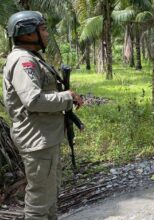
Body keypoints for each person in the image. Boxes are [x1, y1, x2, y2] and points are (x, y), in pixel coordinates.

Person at [2, 11, 83, 220]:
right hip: (37, 139)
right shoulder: (23, 61)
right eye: (43, 29)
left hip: (45, 137)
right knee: (39, 202)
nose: (47, 34)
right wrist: (67, 97)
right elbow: (34, 100)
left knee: (50, 195)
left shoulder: (33, 57)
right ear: (28, 33)